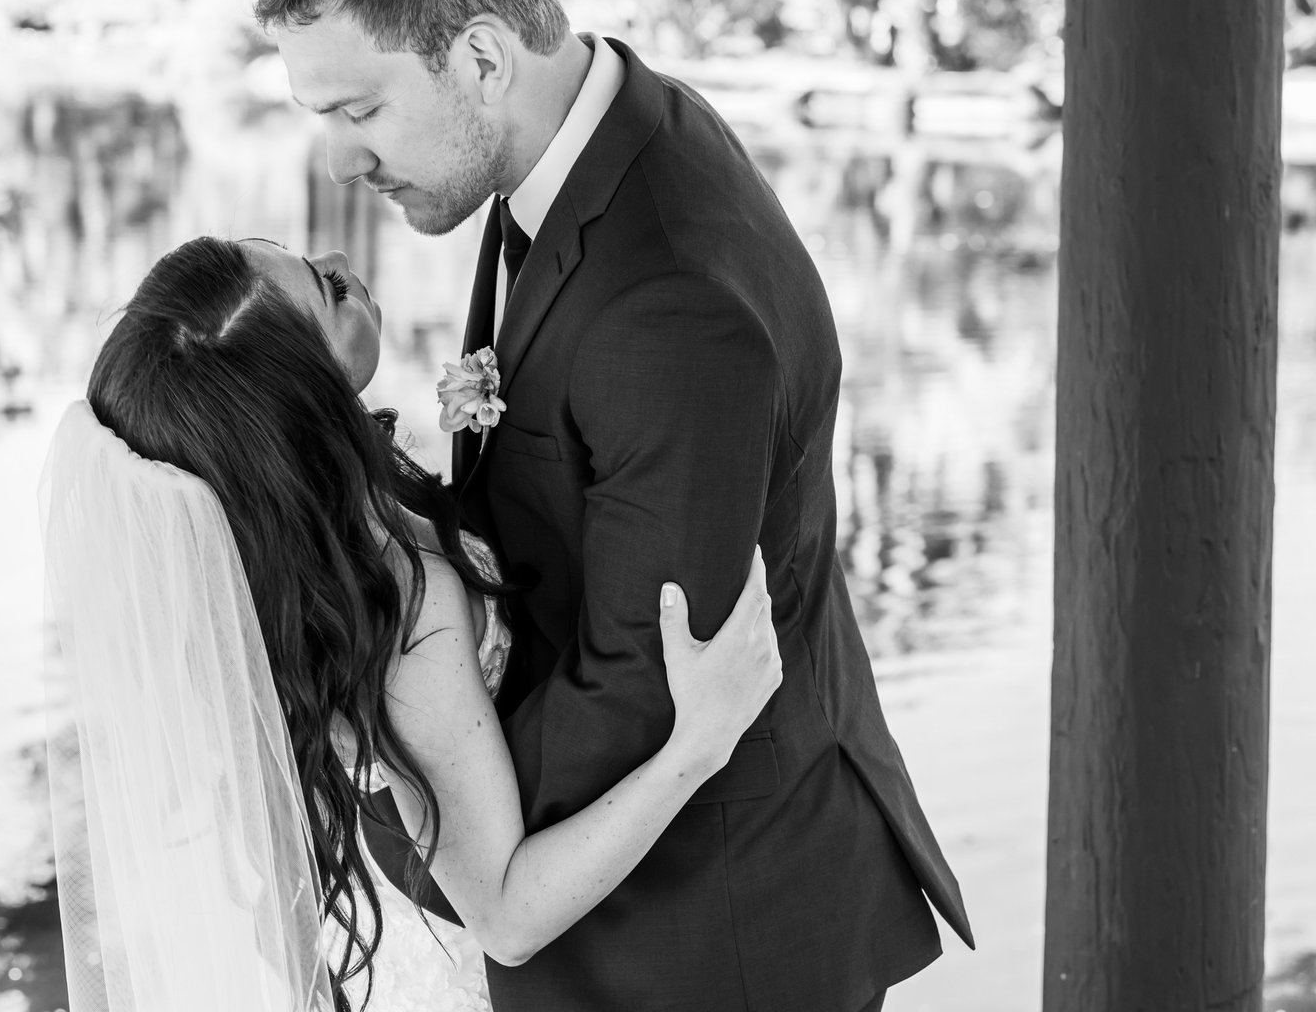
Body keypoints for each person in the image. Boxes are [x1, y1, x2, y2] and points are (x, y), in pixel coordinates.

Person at [255, 0, 974, 1012]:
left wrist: (416, 800)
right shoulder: (594, 136)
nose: (340, 162)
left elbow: (644, 683)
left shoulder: (668, 297)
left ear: (482, 58)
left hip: (706, 937)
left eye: (359, 110)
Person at [39, 234, 782, 1012]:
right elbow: (506, 917)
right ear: (301, 395)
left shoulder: (304, 540)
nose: (339, 259)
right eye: (326, 289)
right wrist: (701, 742)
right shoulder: (399, 605)